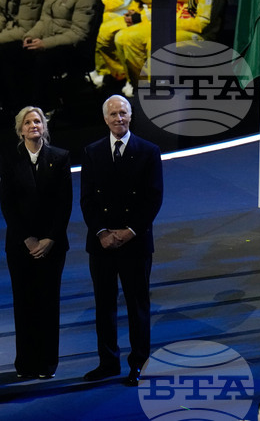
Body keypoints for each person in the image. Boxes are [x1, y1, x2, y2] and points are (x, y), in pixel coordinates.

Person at [80, 95, 163, 386]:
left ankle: (139, 363)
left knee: (137, 305)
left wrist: (129, 231)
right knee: (104, 305)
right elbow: (87, 200)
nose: (119, 118)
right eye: (113, 114)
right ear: (105, 119)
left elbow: (153, 198)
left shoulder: (149, 151)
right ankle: (108, 362)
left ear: (130, 116)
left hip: (135, 242)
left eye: (123, 113)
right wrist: (102, 233)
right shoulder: (91, 152)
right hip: (101, 244)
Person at [0, 106, 72, 380]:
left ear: (44, 126)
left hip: (52, 246)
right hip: (20, 246)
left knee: (48, 303)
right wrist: (27, 239)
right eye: (28, 122)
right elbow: (7, 203)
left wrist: (50, 238)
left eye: (37, 121)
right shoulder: (9, 158)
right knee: (24, 303)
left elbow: (64, 203)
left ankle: (46, 364)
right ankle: (25, 364)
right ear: (20, 129)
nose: (33, 125)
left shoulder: (60, 157)